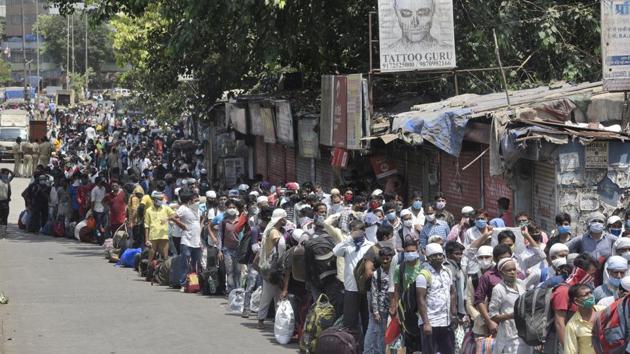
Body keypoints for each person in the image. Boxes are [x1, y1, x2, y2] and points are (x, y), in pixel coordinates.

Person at [547, 254, 598, 354]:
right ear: (581, 273)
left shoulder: (583, 291)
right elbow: (559, 323)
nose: (592, 278)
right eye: (591, 274)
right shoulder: (563, 291)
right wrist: (567, 349)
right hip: (561, 344)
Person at [333, 219, 375, 336]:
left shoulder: (370, 246)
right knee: (350, 321)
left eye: (358, 230)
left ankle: (365, 347)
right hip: (351, 288)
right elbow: (335, 251)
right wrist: (349, 238)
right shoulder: (348, 245)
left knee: (367, 320)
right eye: (353, 230)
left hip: (366, 288)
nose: (356, 232)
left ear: (363, 231)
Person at [417, 243, 456, 354]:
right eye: (434, 255)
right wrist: (426, 323)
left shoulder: (447, 272)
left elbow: (452, 292)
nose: (438, 257)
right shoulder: (423, 275)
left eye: (440, 255)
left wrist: (453, 313)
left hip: (446, 321)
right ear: (428, 258)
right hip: (431, 322)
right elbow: (421, 299)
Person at [389, 236, 423, 353]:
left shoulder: (423, 267)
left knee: (422, 340)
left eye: (413, 251)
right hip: (406, 309)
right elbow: (397, 289)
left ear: (417, 251)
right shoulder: (400, 268)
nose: (410, 253)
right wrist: (396, 308)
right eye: (407, 251)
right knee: (408, 339)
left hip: (421, 308)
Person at [488, 258, 528, 354]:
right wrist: (511, 316)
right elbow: (493, 315)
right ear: (501, 273)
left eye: (514, 269)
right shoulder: (498, 289)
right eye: (508, 270)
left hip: (525, 333)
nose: (512, 272)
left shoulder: (521, 284)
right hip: (509, 335)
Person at [257, 208, 287, 329]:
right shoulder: (274, 232)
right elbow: (279, 244)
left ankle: (277, 321)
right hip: (273, 267)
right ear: (280, 219)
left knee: (276, 295)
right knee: (268, 294)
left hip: (270, 266)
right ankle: (261, 319)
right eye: (284, 218)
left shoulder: (272, 230)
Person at [364, 247, 394, 354]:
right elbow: (374, 293)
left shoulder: (396, 271)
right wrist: (376, 312)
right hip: (382, 308)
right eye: (383, 259)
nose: (385, 261)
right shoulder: (377, 274)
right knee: (382, 333)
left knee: (394, 333)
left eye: (388, 259)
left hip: (394, 307)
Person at [144, 191, 183, 263]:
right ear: (154, 200)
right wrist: (146, 240)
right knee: (151, 256)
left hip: (164, 235)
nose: (161, 201)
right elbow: (146, 226)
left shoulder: (166, 208)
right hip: (153, 236)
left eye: (162, 199)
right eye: (160, 199)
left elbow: (175, 214)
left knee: (165, 257)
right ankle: (148, 269)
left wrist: (168, 218)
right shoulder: (148, 211)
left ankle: (163, 272)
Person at [564, 284, 603, 354]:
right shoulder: (572, 325)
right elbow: (570, 351)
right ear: (576, 301)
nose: (591, 296)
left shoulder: (604, 311)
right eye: (586, 294)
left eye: (591, 292)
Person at [176, 189, 202, 291]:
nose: (197, 202)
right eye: (195, 200)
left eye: (198, 200)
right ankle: (183, 284)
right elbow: (173, 217)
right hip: (186, 240)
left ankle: (195, 283)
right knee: (185, 263)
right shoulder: (183, 208)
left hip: (197, 241)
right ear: (190, 200)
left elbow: (201, 221)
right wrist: (182, 225)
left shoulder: (198, 210)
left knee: (196, 263)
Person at [0, 168, 14, 238]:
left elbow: (13, 174)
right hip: (3, 202)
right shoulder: (5, 181)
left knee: (4, 217)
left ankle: (2, 233)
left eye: (7, 174)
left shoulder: (6, 181)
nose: (7, 175)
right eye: (5, 174)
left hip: (5, 202)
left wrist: (8, 170)